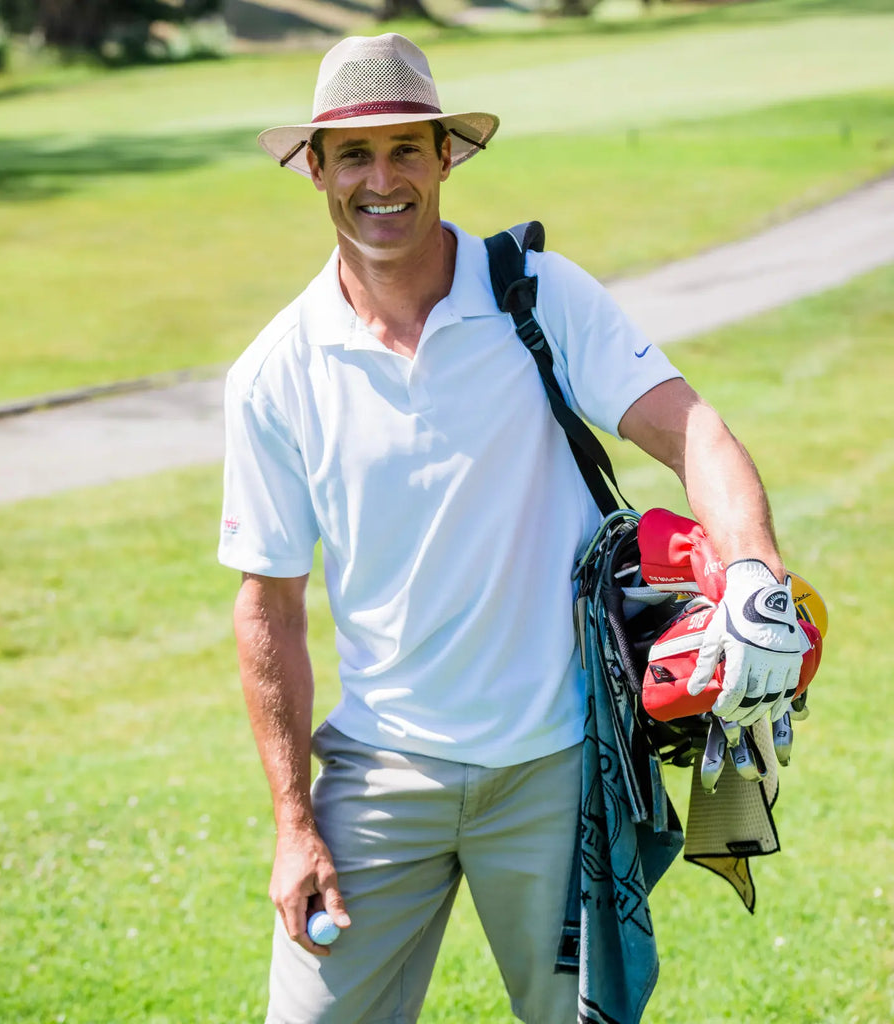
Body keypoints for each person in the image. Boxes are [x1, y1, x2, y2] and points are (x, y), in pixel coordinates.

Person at [218, 32, 803, 1024]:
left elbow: (691, 427)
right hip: (379, 772)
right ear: (312, 166)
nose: (382, 179)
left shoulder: (538, 295)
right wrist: (290, 820)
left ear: (448, 155)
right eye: (354, 153)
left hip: (554, 765)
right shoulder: (275, 371)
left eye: (408, 148)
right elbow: (267, 606)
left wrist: (753, 571)